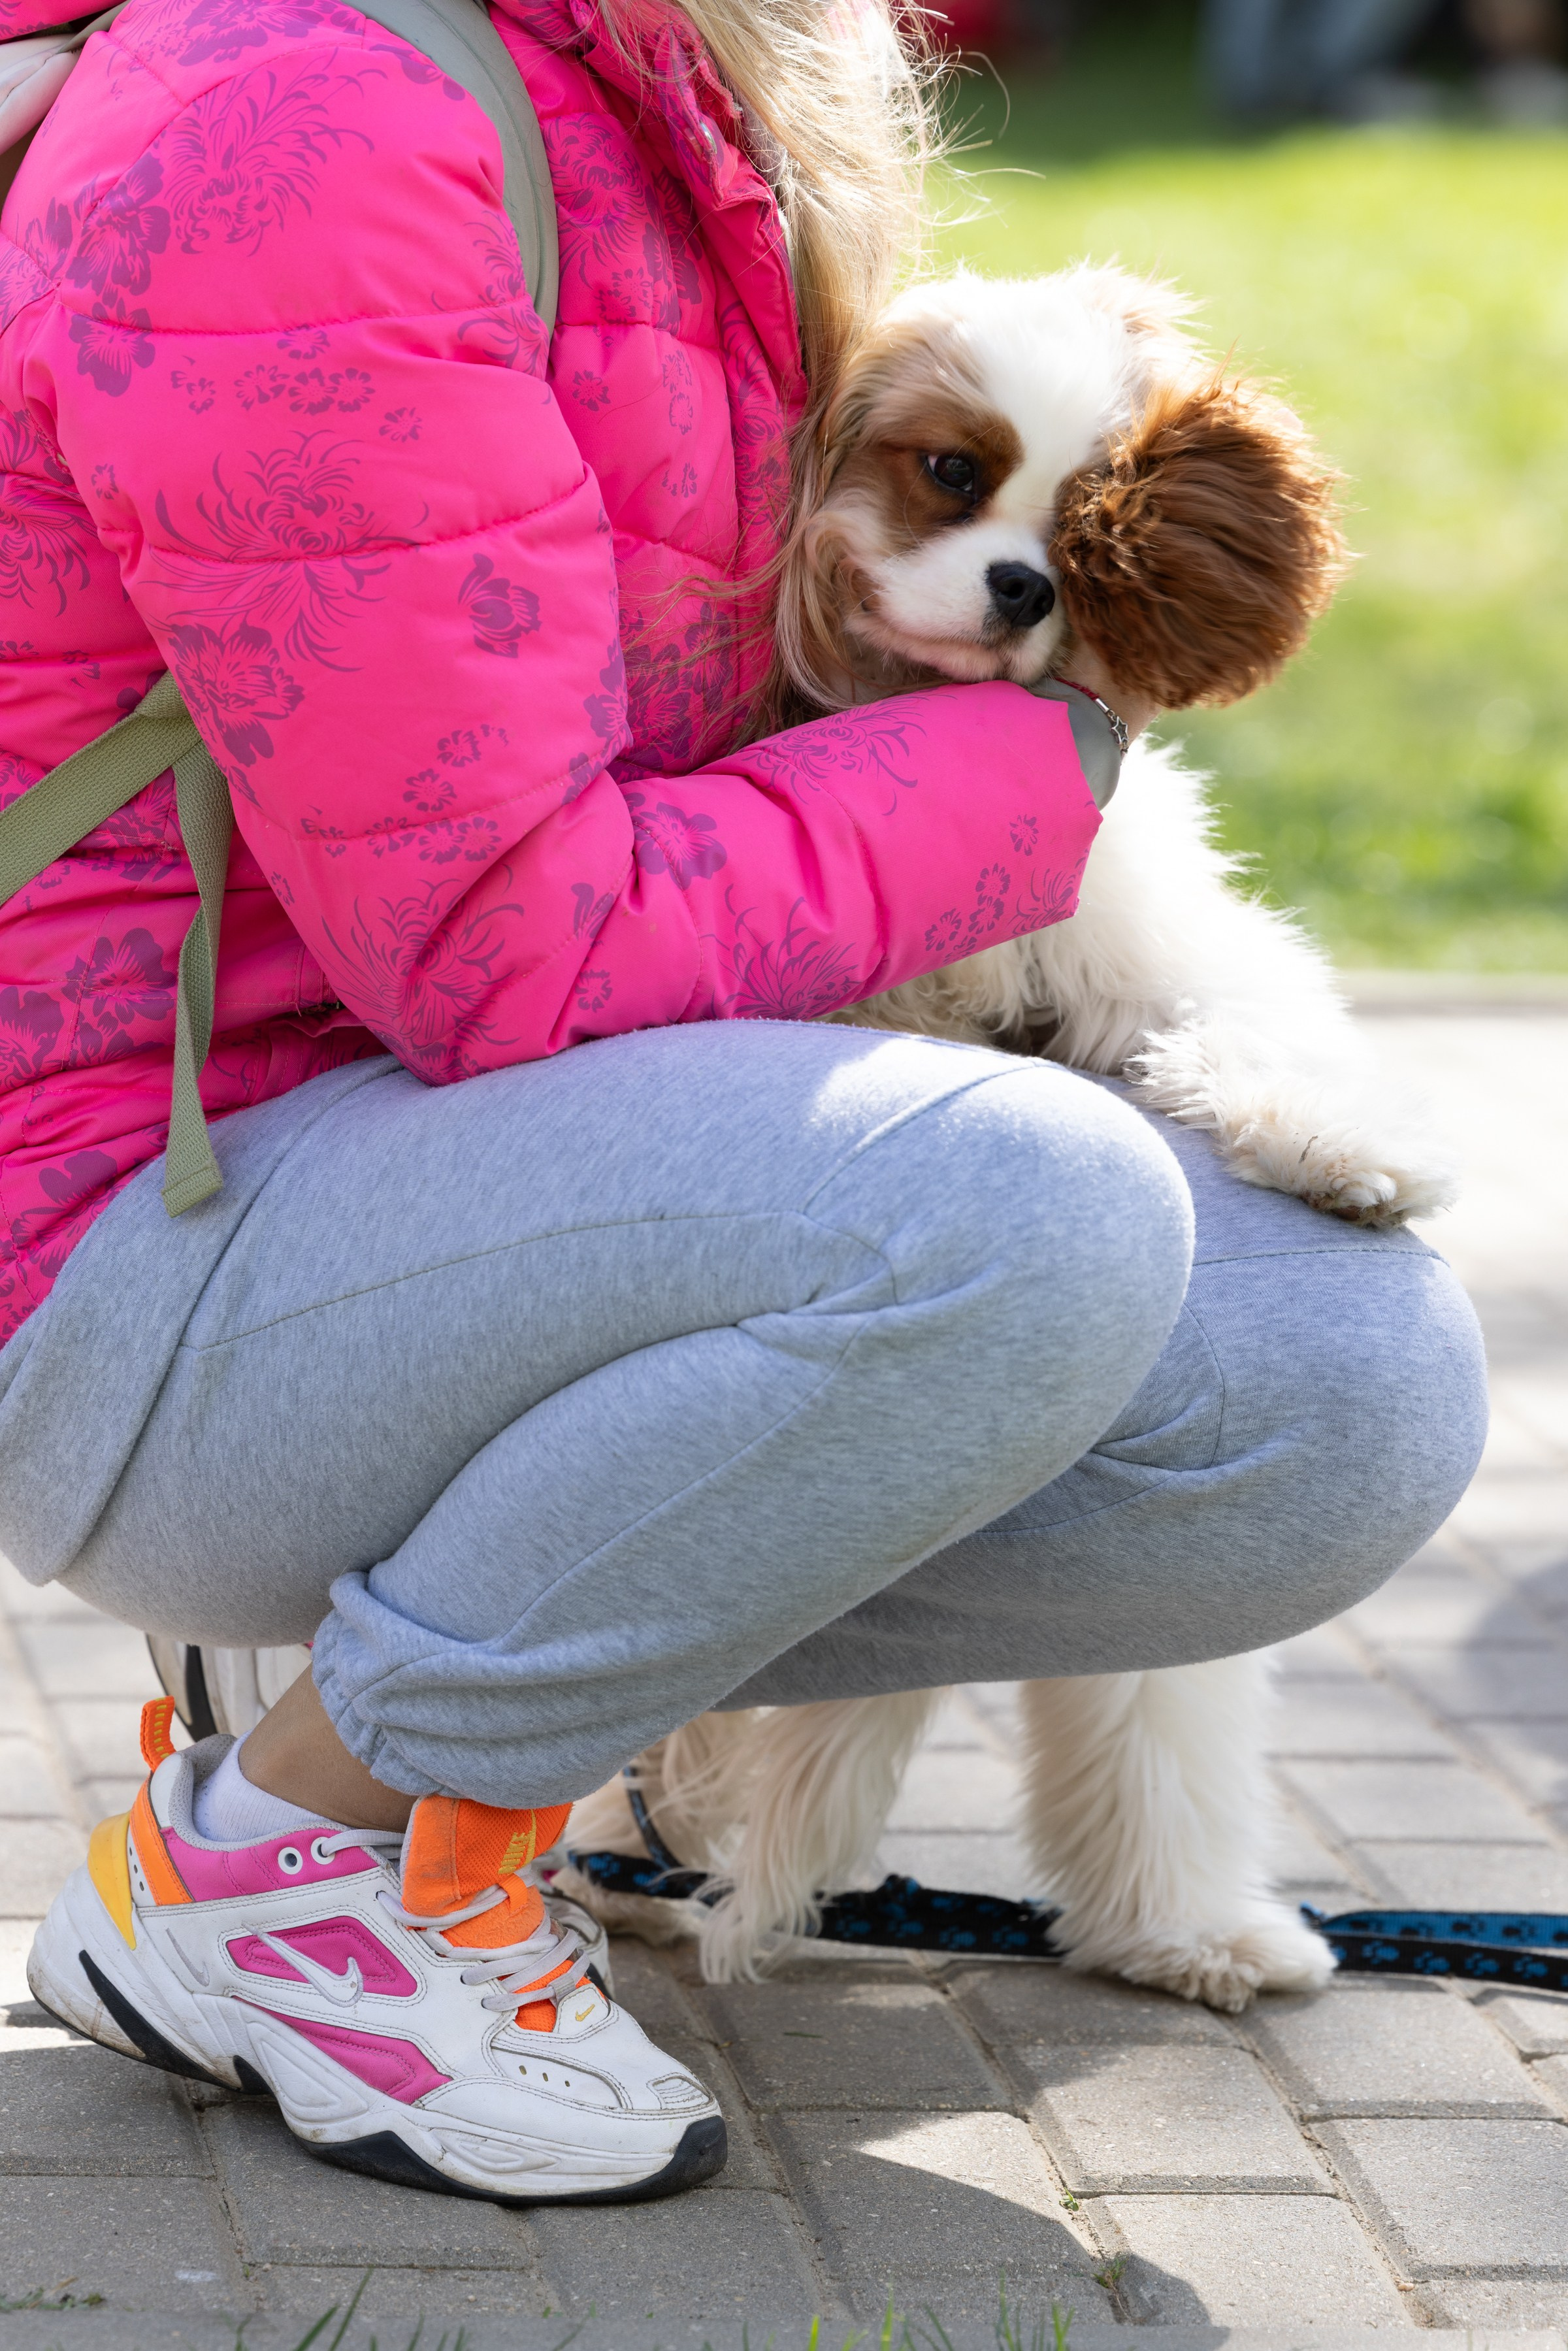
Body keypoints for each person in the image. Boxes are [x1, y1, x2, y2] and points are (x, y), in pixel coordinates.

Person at [1, 0, 1484, 2207]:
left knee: (1336, 1386)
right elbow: (509, 941)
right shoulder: (300, 102)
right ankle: (286, 1861)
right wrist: (1033, 762)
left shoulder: (685, 92)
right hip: (149, 1234)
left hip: (450, 1144)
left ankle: (519, 1696)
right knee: (1013, 1208)